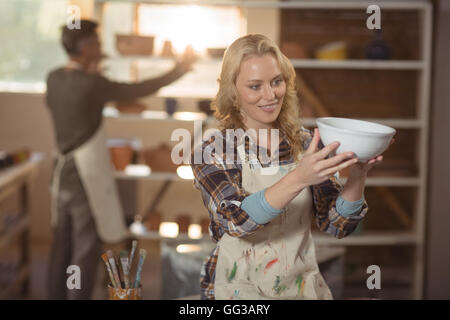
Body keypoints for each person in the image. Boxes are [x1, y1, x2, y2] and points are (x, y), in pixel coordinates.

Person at [191, 34, 392, 300]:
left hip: (300, 287)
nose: (270, 94)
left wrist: (357, 177)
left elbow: (337, 226)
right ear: (233, 91)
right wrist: (300, 177)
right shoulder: (214, 150)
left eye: (277, 81)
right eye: (255, 86)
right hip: (240, 287)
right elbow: (235, 221)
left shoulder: (306, 143)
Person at [46, 20, 194, 300]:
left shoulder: (54, 78)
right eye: (98, 43)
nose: (102, 48)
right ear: (87, 47)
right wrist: (179, 69)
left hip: (61, 172)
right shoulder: (91, 84)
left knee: (61, 245)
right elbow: (137, 89)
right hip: (84, 176)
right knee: (85, 247)